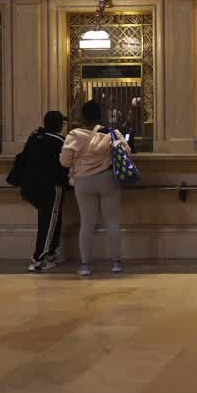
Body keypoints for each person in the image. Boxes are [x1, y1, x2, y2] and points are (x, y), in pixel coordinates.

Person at [61, 100, 125, 278]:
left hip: (83, 181)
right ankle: (116, 263)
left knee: (86, 223)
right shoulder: (111, 133)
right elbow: (126, 151)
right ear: (100, 115)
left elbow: (64, 161)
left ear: (82, 116)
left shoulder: (74, 134)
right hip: (108, 179)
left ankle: (86, 265)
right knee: (112, 221)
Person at [15, 111, 69, 273]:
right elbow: (65, 163)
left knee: (50, 219)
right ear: (59, 125)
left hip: (32, 187)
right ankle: (38, 259)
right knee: (49, 222)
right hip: (51, 188)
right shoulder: (59, 141)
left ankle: (50, 253)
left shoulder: (34, 136)